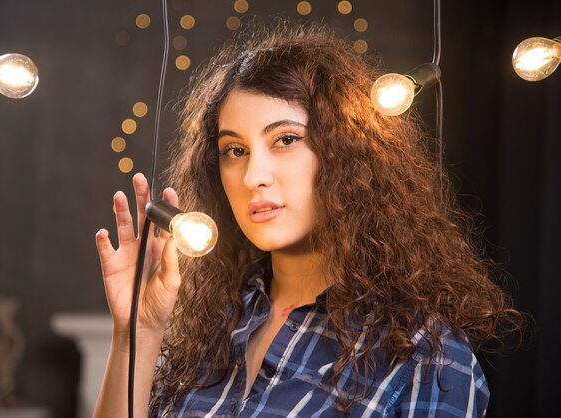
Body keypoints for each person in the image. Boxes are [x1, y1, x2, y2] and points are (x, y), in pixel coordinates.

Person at [93, 21, 521, 417]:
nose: (253, 177)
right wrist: (138, 332)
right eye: (234, 150)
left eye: (286, 140)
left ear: (347, 155)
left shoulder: (425, 354)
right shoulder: (216, 326)